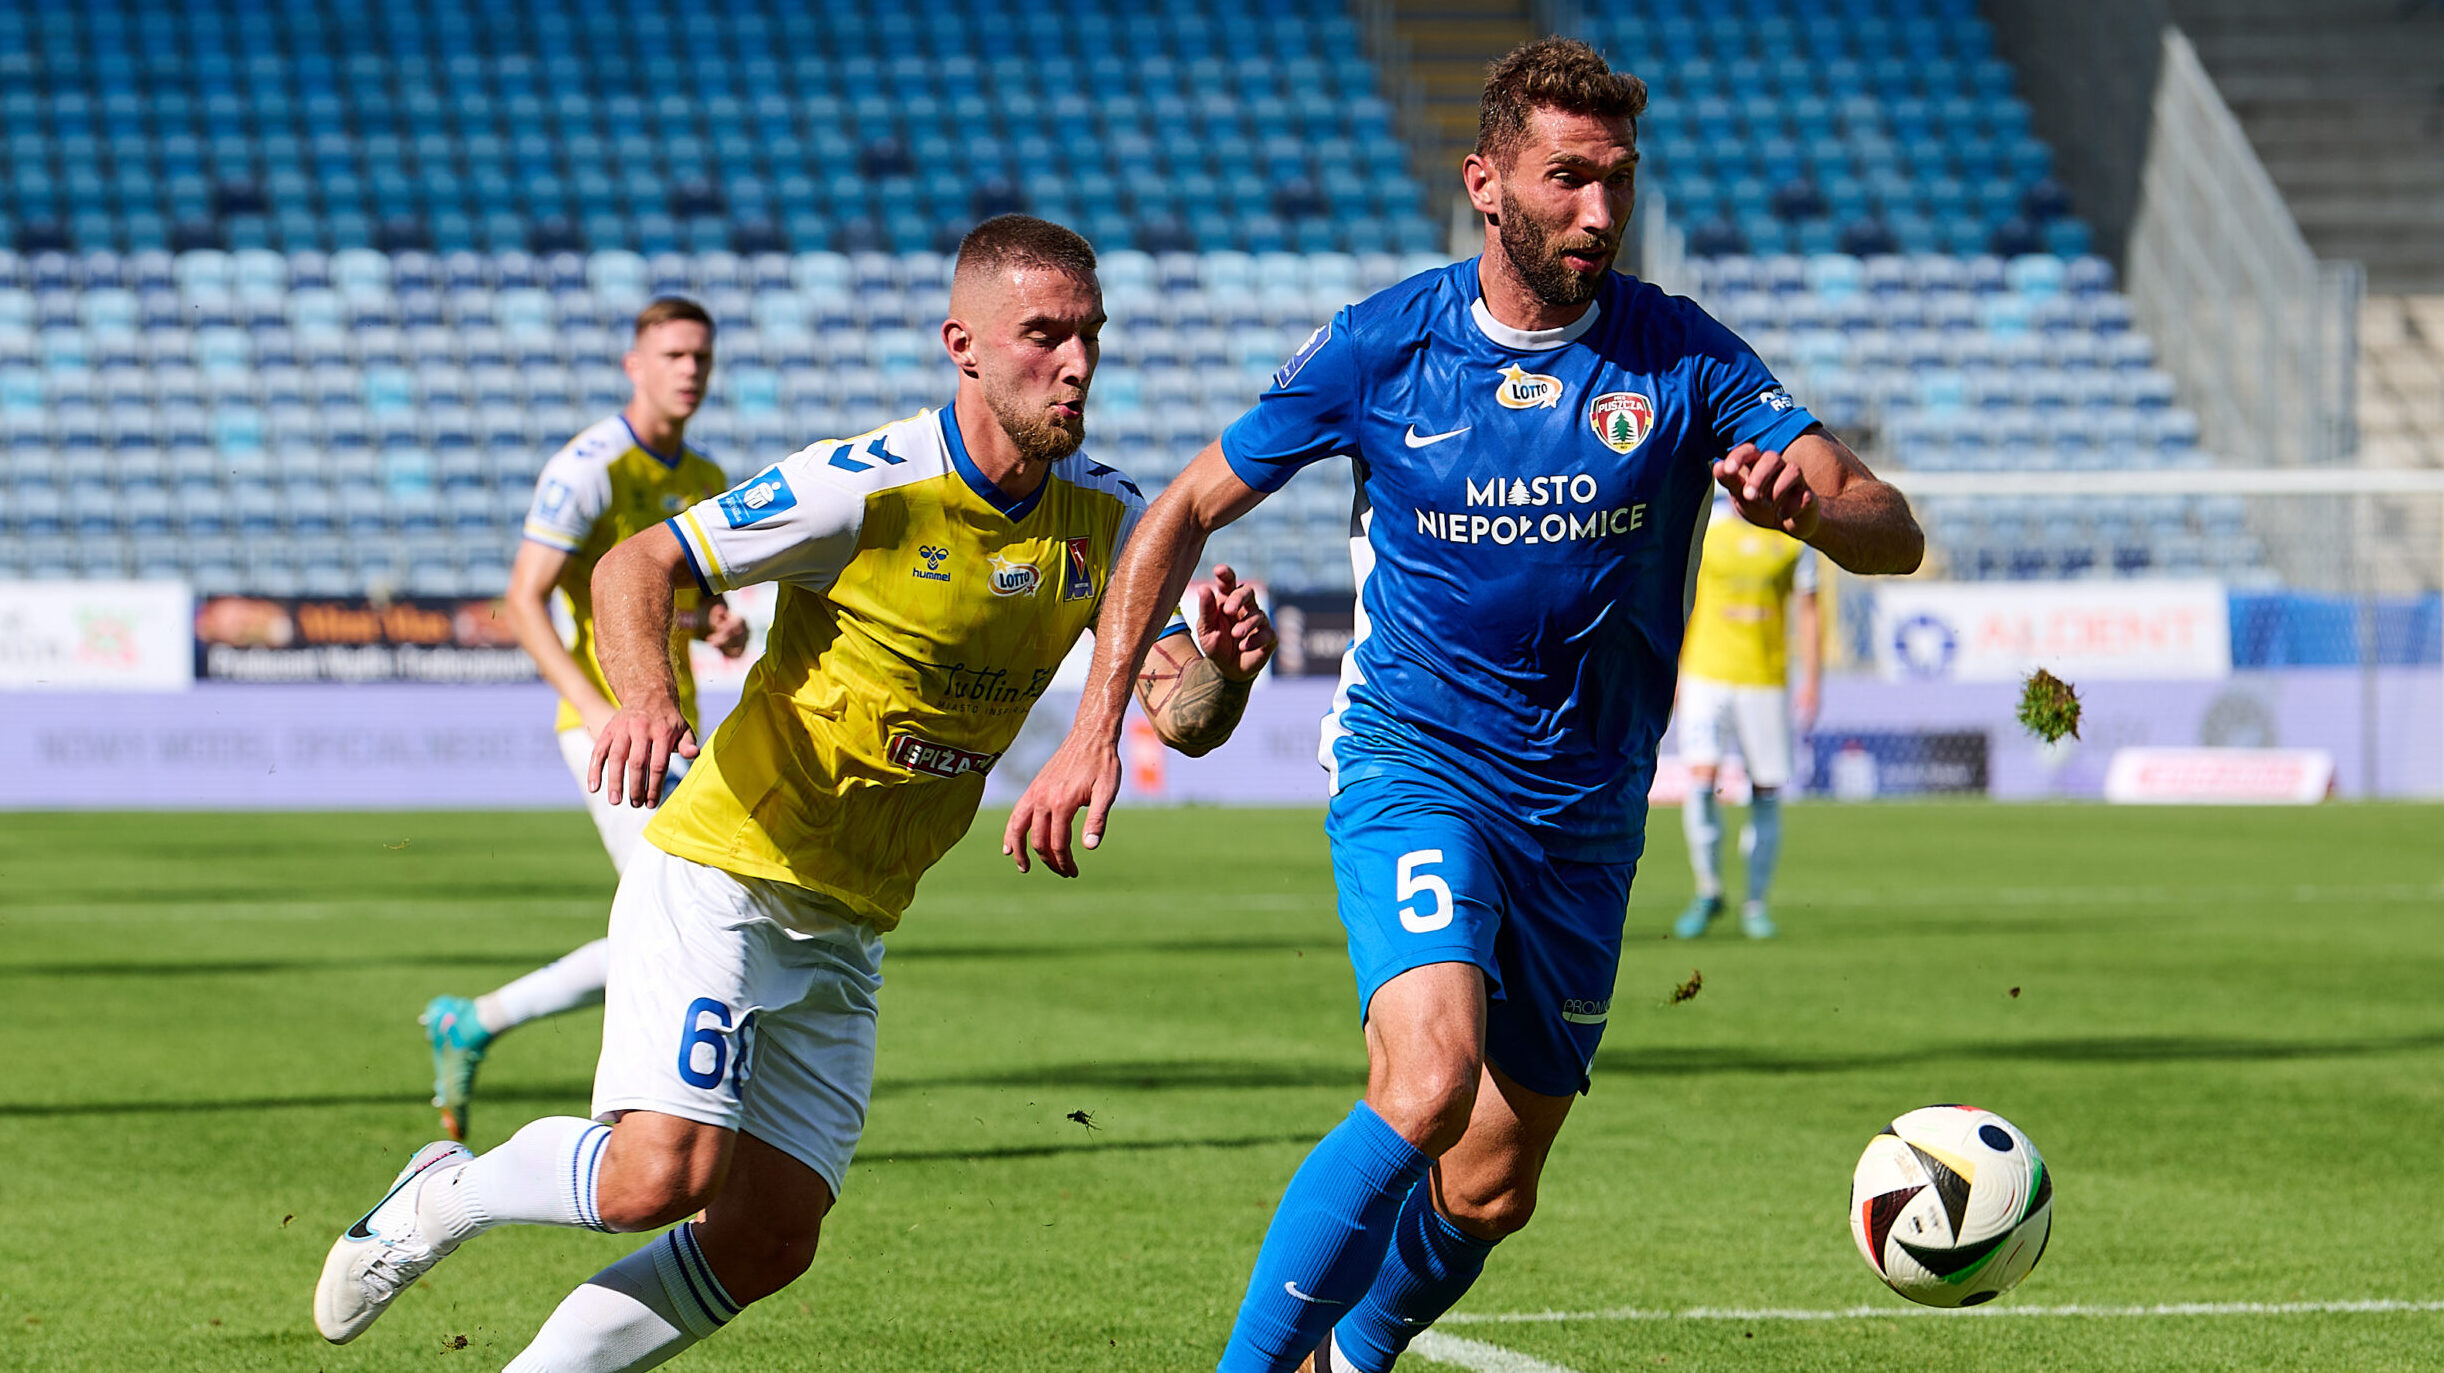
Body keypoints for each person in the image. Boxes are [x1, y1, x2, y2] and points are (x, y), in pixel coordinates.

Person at [1005, 40, 1923, 1373]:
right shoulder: (1385, 345)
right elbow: (1182, 509)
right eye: (1569, 180)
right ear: (1487, 183)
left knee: (1493, 1183)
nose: (1600, 213)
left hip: (1587, 809)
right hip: (1418, 765)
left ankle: (1354, 1355)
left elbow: (1886, 525)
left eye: (1618, 182)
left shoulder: (1684, 354)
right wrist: (1096, 732)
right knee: (1429, 1084)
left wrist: (1817, 511)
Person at [313, 215, 1277, 1366]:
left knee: (768, 1239)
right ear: (961, 344)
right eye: (1043, 335)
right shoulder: (864, 485)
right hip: (726, 865)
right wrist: (641, 696)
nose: (1074, 363)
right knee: (654, 1175)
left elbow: (1185, 720)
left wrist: (1221, 667)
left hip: (851, 917)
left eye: (1090, 337)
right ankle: (444, 1193)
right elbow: (637, 563)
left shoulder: (1113, 517)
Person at [419, 296, 749, 1144]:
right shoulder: (590, 468)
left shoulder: (706, 479)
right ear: (633, 365)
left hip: (677, 729)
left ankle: (480, 1020)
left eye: (701, 358)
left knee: (678, 913)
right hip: (605, 725)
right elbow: (525, 601)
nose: (689, 370)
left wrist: (719, 622)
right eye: (673, 354)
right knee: (689, 913)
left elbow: (692, 602)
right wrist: (603, 710)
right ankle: (643, 1117)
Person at [1674, 490, 1822, 939]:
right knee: (1700, 780)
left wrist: (1813, 679)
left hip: (1765, 678)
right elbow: (1680, 599)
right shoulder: (1707, 527)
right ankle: (1708, 889)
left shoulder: (1795, 534)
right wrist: (1674, 669)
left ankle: (1756, 903)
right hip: (1705, 672)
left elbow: (1809, 610)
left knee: (1766, 789)